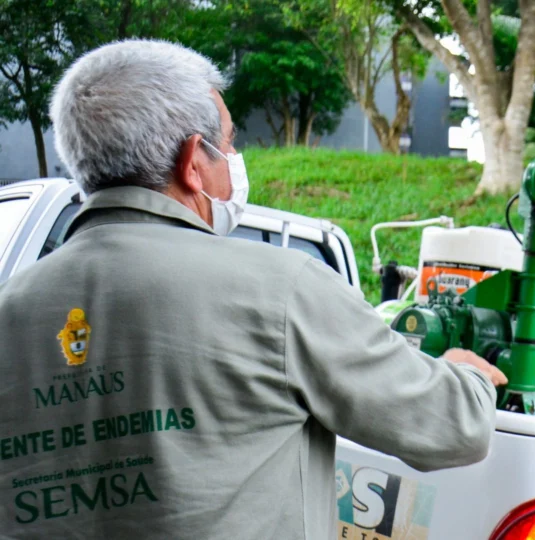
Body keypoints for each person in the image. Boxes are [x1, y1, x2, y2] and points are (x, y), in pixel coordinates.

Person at [0, 39, 506, 539]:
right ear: (194, 161)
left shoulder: (10, 309)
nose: (236, 159)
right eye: (230, 143)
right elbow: (452, 427)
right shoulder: (281, 290)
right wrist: (467, 377)